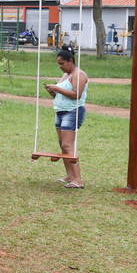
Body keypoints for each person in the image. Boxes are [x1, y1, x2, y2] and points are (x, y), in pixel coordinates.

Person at [44, 46, 88, 188]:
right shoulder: (65, 75)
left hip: (73, 111)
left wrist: (57, 88)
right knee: (62, 145)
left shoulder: (78, 75)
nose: (60, 67)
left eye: (62, 63)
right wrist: (52, 92)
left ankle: (78, 180)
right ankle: (70, 176)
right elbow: (60, 94)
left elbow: (76, 95)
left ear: (70, 61)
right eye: (59, 64)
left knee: (67, 145)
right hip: (61, 111)